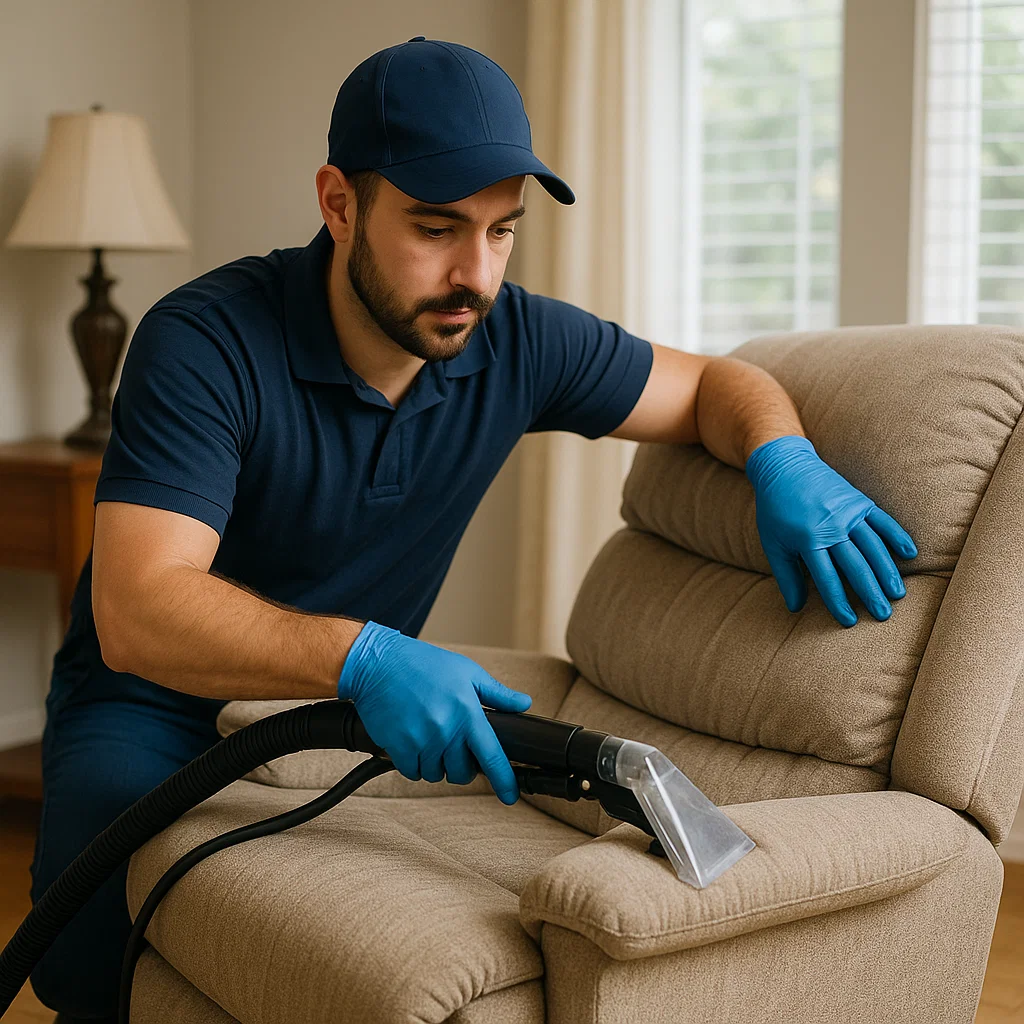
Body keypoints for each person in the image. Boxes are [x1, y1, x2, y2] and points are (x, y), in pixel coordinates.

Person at [27, 36, 917, 1023]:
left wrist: (778, 459)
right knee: (86, 955)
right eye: (437, 227)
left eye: (501, 231)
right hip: (155, 708)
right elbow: (139, 609)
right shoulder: (206, 342)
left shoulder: (516, 338)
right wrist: (363, 655)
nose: (474, 273)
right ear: (338, 202)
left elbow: (714, 384)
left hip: (346, 719)